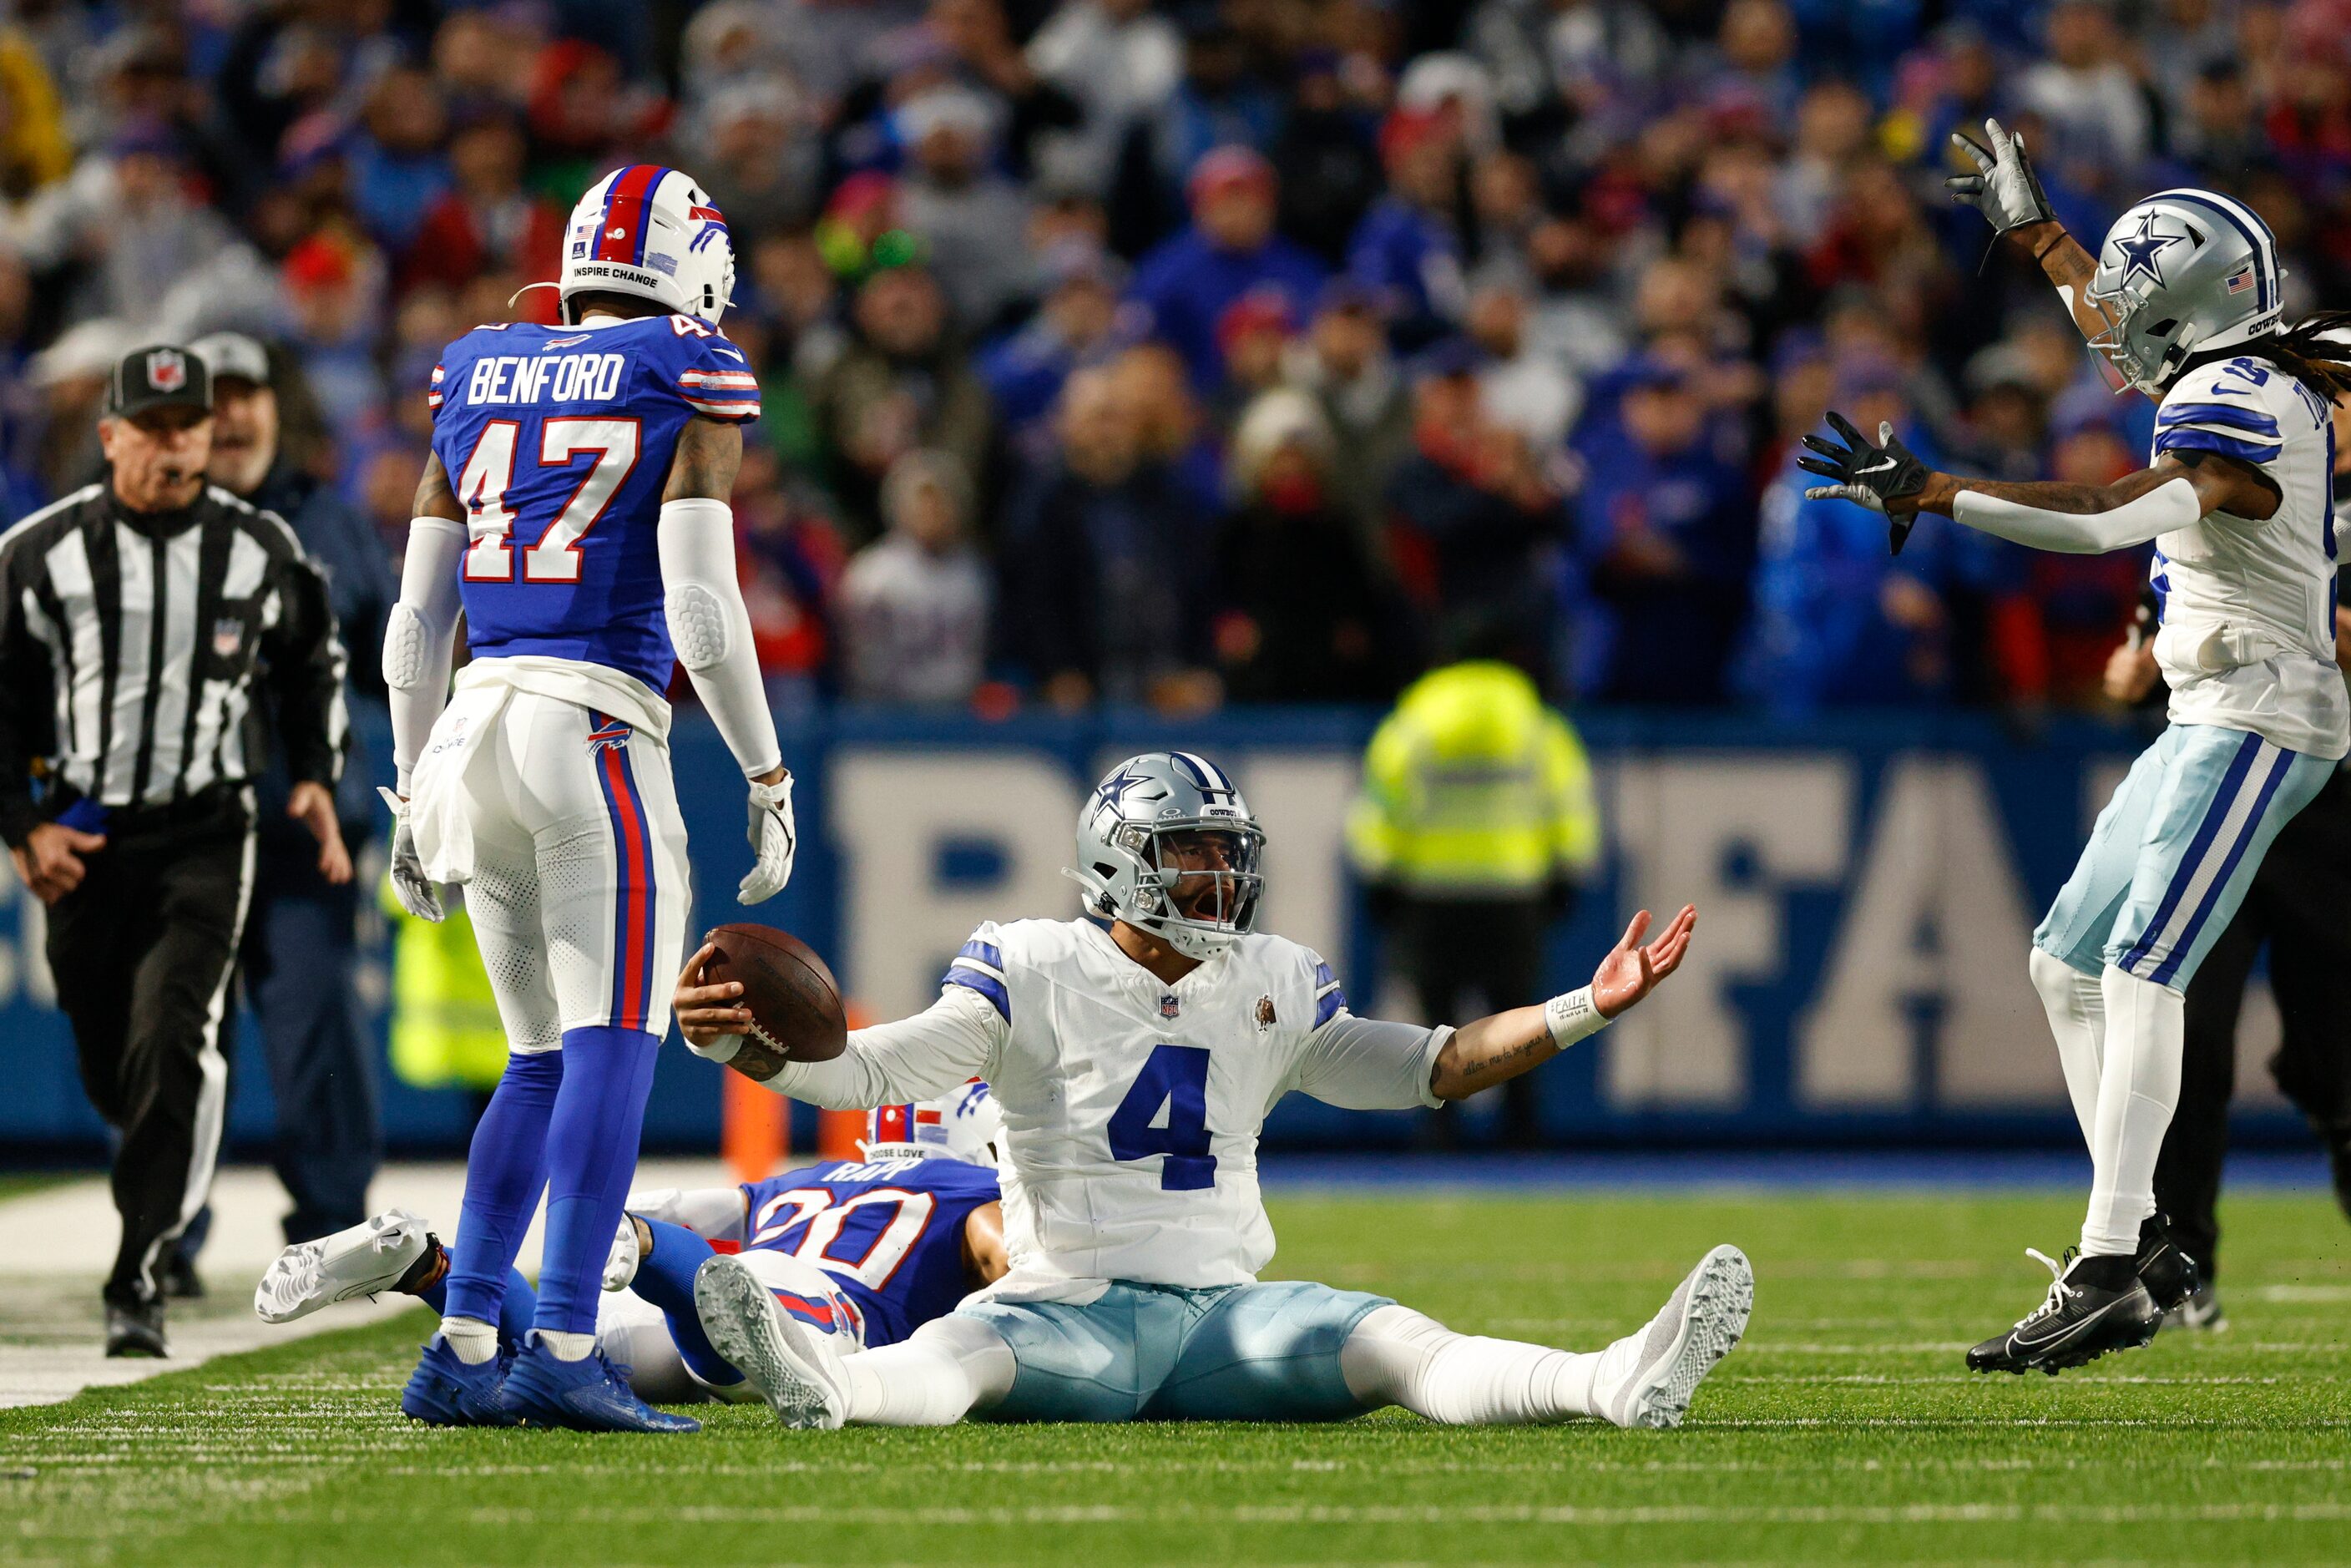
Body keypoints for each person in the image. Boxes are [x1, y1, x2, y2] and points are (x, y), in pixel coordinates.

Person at [680, 751, 1747, 1433]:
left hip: (1221, 1321)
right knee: (946, 1362)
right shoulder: (1029, 962)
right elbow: (867, 1069)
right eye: (1188, 850)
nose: (1215, 874)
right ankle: (819, 1377)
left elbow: (1441, 1062)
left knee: (1396, 1344)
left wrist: (1585, 1006)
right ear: (1117, 864)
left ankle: (1610, 1381)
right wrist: (748, 1053)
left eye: (1223, 851)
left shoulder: (1271, 978)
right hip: (1065, 1313)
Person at [1802, 122, 2351, 1374]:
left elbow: (2113, 519)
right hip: (2209, 708)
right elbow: (2124, 330)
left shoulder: (2239, 401)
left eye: (2135, 299)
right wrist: (2042, 233)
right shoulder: (2249, 359)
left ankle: (2113, 1261)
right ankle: (2146, 1226)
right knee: (2067, 961)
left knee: (2148, 964)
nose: (2111, 319)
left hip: (2266, 714)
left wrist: (1943, 493)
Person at [381, 164, 798, 1434]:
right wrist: (767, 770)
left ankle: (462, 1342)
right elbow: (705, 611)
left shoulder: (479, 364)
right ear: (701, 269)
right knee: (613, 1049)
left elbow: (414, 626)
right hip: (593, 731)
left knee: (535, 1059)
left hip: (470, 730)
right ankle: (562, 1338)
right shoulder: (685, 369)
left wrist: (408, 788)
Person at [0, 344, 350, 1357]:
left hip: (208, 827)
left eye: (185, 426)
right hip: (87, 833)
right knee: (114, 1061)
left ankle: (138, 1270)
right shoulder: (39, 553)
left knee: (176, 1037)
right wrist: (24, 828)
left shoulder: (260, 547)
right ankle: (148, 1207)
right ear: (108, 435)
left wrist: (317, 777)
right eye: (149, 428)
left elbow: (311, 664)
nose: (171, 445)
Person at [254, 1085, 1009, 1414]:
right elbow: (1013, 1265)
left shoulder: (817, 1174)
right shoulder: (976, 1194)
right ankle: (653, 1253)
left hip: (748, 1266)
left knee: (549, 1360)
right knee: (753, 1360)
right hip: (820, 1301)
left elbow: (697, 1201)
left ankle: (426, 1264)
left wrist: (624, 1214)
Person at [193, 330, 396, 1256]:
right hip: (177, 833)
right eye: (211, 398)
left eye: (247, 394)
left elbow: (401, 659)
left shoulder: (332, 521)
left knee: (317, 1029)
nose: (231, 415)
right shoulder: (149, 519)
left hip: (301, 830)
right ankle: (163, 1232)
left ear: (277, 407)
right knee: (170, 1042)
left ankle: (333, 1224)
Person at [2103, 589, 2351, 1330]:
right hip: (2221, 796)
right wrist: (2143, 669)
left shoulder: (2279, 498)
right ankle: (2180, 1271)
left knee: (2340, 1070)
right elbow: (2132, 672)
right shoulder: (2223, 491)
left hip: (2331, 810)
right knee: (2189, 1037)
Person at [1347, 662, 1604, 1148]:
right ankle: (1522, 1132)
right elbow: (1567, 798)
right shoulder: (1534, 721)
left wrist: (1380, 873)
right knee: (1526, 1021)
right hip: (1513, 889)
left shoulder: (1418, 718)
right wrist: (1568, 870)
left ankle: (1439, 1132)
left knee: (1434, 1026)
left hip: (1431, 891)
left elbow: (1380, 801)